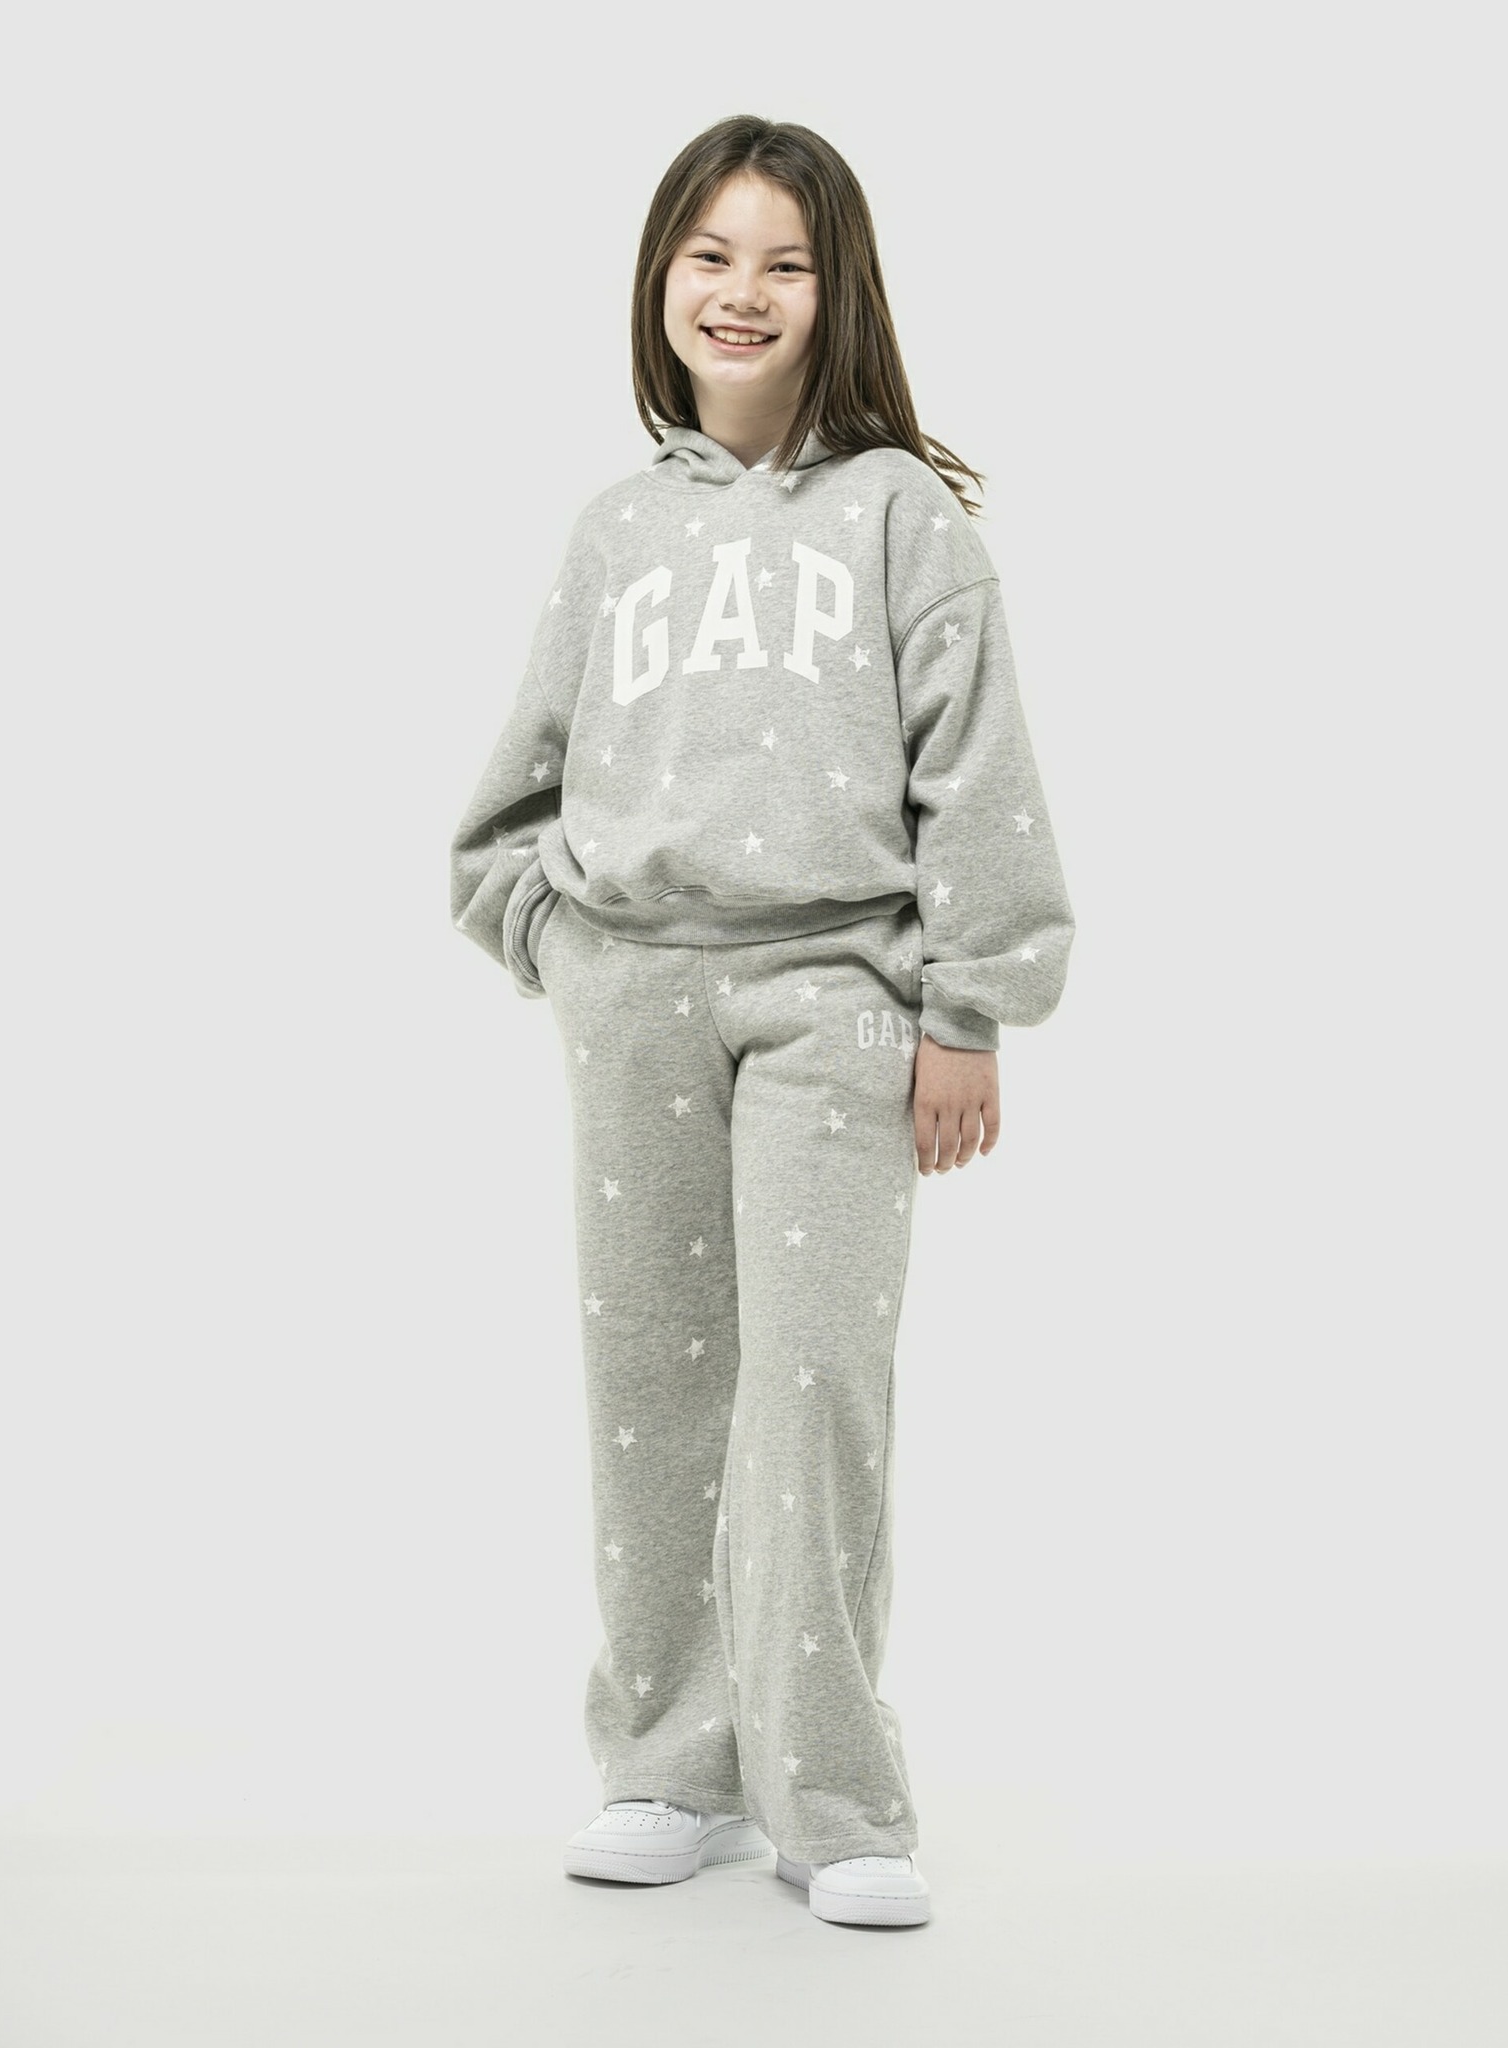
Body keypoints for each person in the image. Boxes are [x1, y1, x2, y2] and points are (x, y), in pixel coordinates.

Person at [448, 114, 1075, 1930]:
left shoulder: (902, 517)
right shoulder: (614, 532)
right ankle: (669, 1767)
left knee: (811, 1390)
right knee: (654, 1388)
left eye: (784, 263)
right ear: (661, 278)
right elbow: (511, 802)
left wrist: (972, 1009)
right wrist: (562, 944)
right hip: (634, 1000)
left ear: (837, 291)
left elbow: (980, 779)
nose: (743, 291)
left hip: (837, 999)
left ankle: (839, 1798)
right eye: (710, 256)